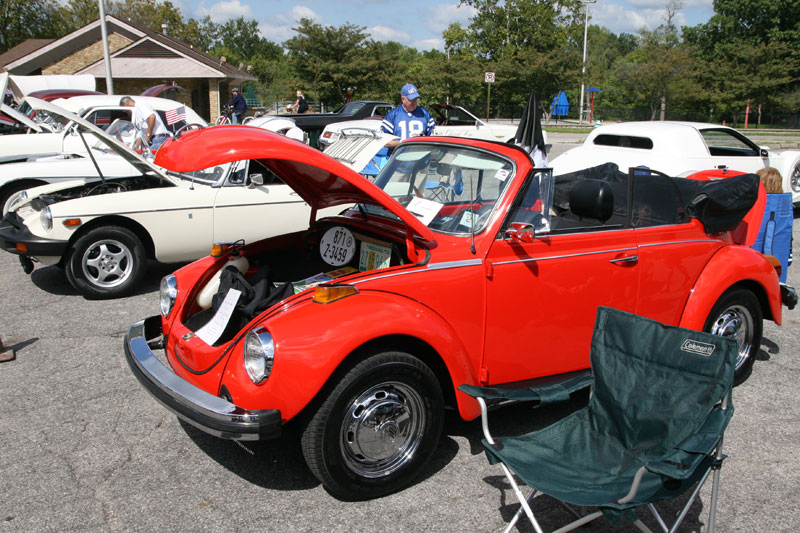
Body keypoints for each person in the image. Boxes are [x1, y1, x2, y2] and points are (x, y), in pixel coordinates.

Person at [381, 83, 435, 151]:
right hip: (399, 159)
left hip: (421, 158)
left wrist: (424, 140)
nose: (414, 102)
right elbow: (385, 143)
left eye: (416, 99)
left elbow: (433, 140)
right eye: (411, 99)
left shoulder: (425, 114)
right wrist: (404, 143)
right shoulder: (392, 115)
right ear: (402, 99)